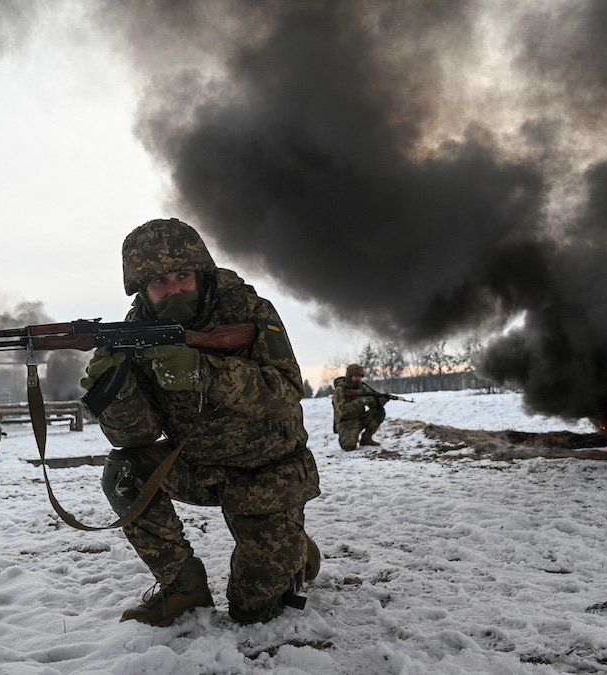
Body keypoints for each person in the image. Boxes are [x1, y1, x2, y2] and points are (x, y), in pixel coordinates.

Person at [82, 218, 321, 627]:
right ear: (142, 288)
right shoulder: (134, 333)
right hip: (197, 467)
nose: (174, 288)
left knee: (253, 613)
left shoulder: (246, 309)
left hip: (267, 474)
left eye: (182, 276)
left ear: (200, 272)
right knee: (125, 471)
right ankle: (182, 586)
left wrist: (204, 372)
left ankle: (293, 547)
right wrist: (116, 390)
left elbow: (284, 392)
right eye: (160, 281)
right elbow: (137, 436)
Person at [331, 363, 386, 451]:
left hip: (360, 418)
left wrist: (381, 400)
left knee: (379, 412)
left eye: (360, 376)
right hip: (346, 423)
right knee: (349, 447)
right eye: (355, 376)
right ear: (349, 376)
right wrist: (361, 401)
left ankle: (366, 439)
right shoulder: (340, 390)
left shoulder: (362, 387)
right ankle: (349, 437)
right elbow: (343, 410)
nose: (358, 379)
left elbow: (374, 404)